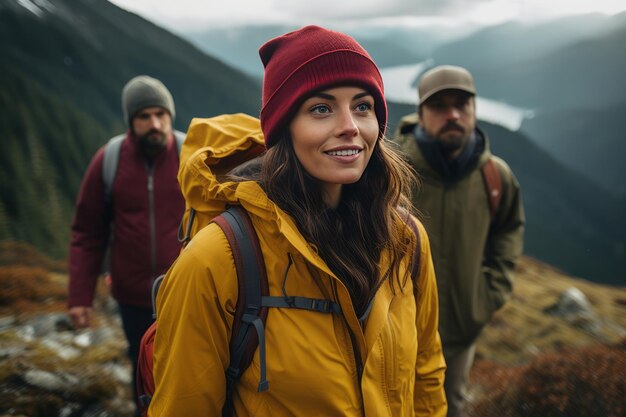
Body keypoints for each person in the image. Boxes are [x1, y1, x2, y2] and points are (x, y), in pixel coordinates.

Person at [149, 26, 447, 416]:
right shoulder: (219, 259)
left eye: (363, 106)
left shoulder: (406, 240)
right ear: (284, 128)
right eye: (321, 108)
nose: (350, 126)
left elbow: (426, 373)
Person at [394, 65, 525, 417]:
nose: (452, 114)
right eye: (439, 106)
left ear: (474, 109)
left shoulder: (495, 176)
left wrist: (491, 292)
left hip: (463, 330)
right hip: (399, 329)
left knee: (450, 406)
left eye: (462, 105)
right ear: (420, 113)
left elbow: (510, 227)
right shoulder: (394, 172)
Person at [68, 75, 185, 413]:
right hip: (132, 296)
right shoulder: (109, 161)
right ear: (130, 122)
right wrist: (79, 297)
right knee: (142, 366)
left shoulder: (190, 155)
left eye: (161, 115)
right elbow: (88, 233)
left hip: (183, 291)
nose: (155, 124)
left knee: (188, 367)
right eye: (144, 116)